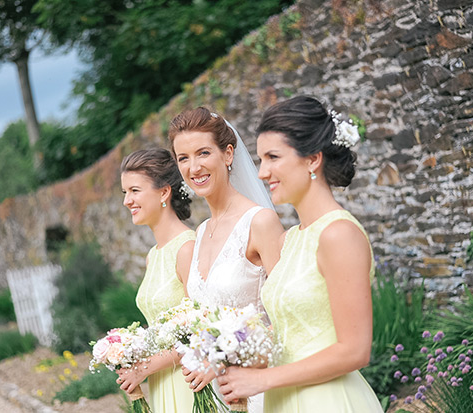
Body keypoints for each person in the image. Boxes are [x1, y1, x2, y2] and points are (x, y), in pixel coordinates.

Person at [217, 96, 384, 412]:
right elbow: (289, 333)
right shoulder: (290, 240)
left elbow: (355, 351)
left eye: (273, 157)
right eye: (260, 159)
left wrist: (263, 381)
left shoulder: (339, 235)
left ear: (312, 160)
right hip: (284, 401)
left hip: (328, 400)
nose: (263, 173)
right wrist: (234, 356)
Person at [168, 107, 284, 412]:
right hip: (216, 397)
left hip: (260, 393)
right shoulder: (201, 231)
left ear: (228, 154)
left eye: (203, 153)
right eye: (183, 158)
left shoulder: (260, 223)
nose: (194, 167)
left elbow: (288, 319)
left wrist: (219, 359)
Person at [116, 148, 196, 412]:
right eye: (125, 192)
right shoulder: (153, 255)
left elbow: (200, 333)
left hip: (189, 382)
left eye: (135, 191)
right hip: (162, 383)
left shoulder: (188, 248)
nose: (127, 201)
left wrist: (142, 369)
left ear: (164, 192)